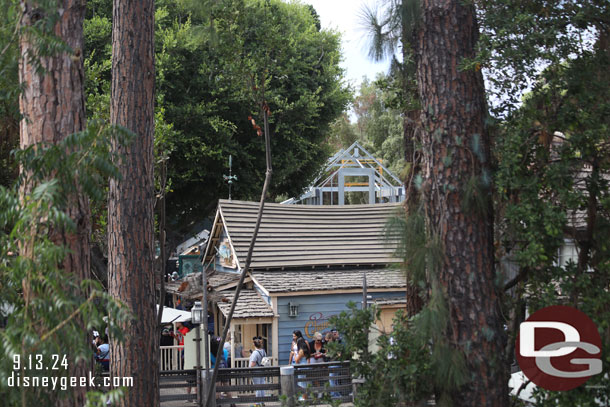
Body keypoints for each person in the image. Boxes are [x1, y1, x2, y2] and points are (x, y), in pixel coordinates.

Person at [249, 336, 267, 403]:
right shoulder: (264, 352)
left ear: (254, 344)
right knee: (262, 387)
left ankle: (258, 403)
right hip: (262, 371)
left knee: (257, 388)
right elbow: (264, 362)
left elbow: (252, 364)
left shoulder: (255, 353)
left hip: (256, 372)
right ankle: (262, 402)